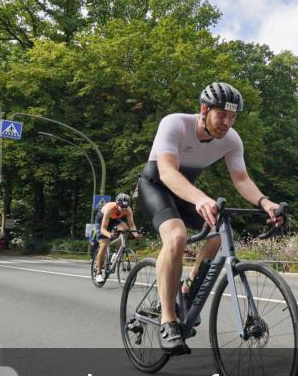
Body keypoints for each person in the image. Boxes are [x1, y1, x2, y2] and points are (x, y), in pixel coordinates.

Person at [137, 82, 283, 352]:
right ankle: (168, 320)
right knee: (177, 237)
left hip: (186, 193)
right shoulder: (175, 124)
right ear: (204, 110)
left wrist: (265, 202)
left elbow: (241, 179)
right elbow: (168, 172)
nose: (227, 123)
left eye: (232, 117)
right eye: (221, 115)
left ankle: (186, 289)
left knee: (217, 235)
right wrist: (201, 198)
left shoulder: (232, 140)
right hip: (156, 186)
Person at [92, 193, 142, 282]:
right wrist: (109, 235)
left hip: (114, 220)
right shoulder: (110, 209)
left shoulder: (128, 209)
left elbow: (132, 225)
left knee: (125, 229)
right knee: (104, 244)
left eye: (125, 207)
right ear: (117, 204)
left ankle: (116, 253)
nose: (124, 209)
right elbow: (103, 229)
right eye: (122, 207)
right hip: (102, 220)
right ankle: (99, 273)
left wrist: (136, 234)